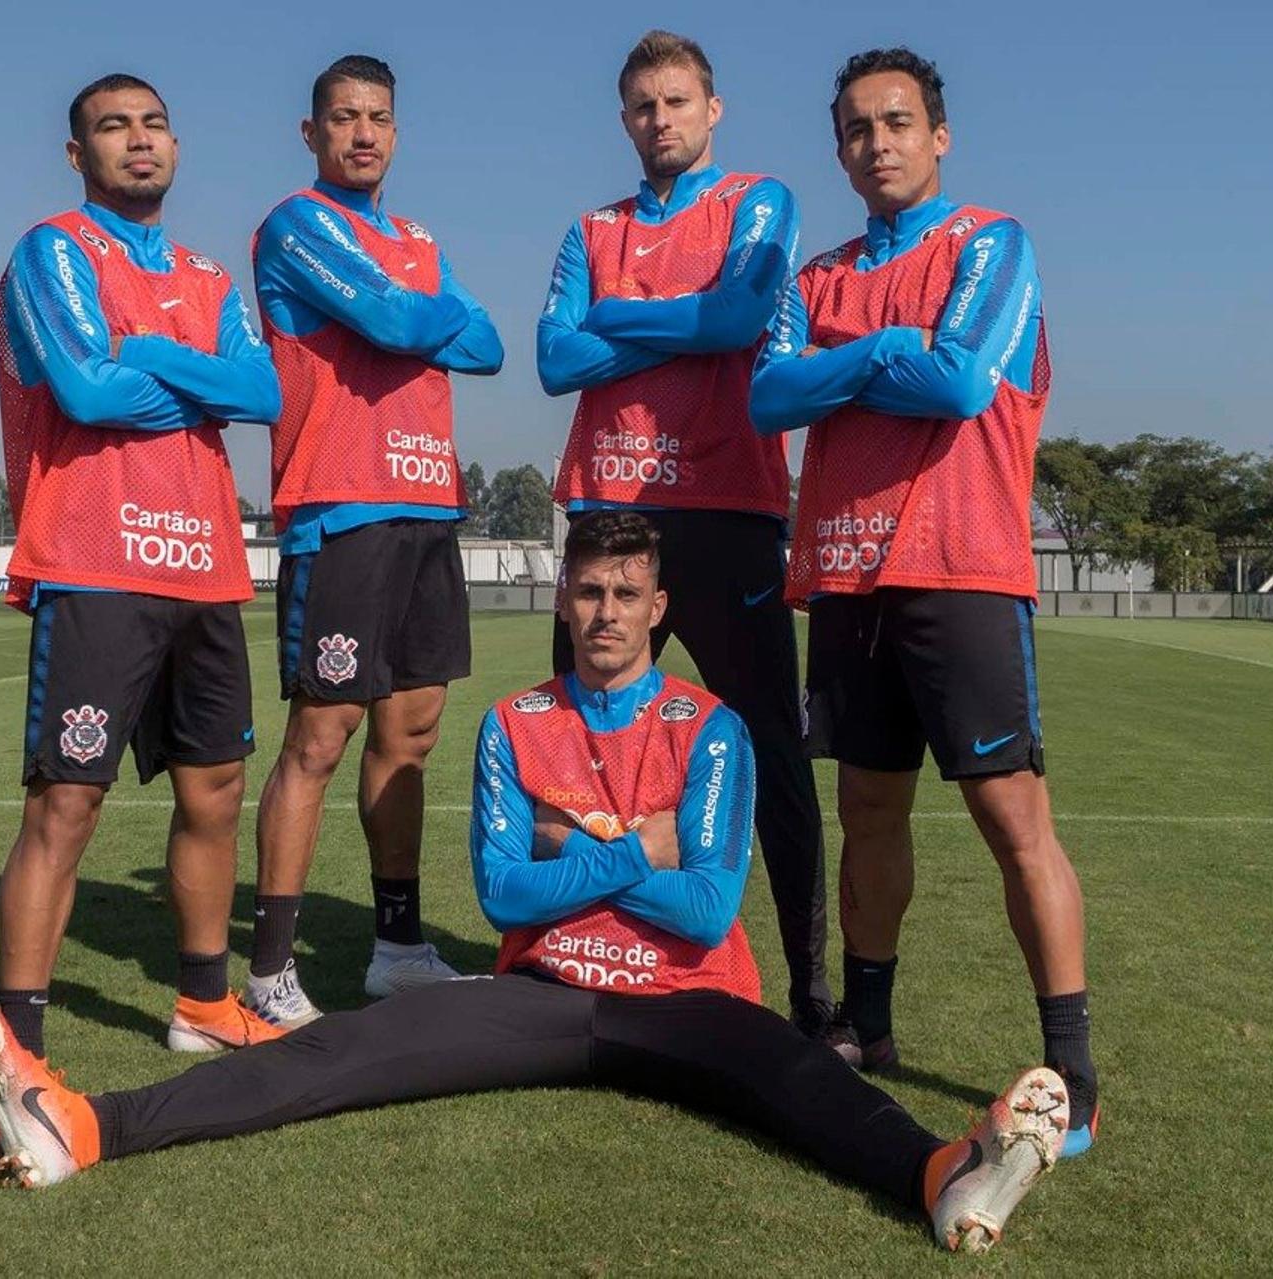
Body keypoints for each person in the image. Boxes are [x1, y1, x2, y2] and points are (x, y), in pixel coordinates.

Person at [0, 511, 1068, 1254]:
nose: (603, 614)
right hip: (537, 995)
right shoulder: (513, 722)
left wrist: (574, 848)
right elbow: (503, 895)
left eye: (625, 593)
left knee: (803, 1086)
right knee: (337, 1052)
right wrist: (643, 843)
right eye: (586, 591)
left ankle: (943, 1176)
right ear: (564, 597)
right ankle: (87, 1127)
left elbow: (707, 911)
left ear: (658, 606)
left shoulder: (711, 730)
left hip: (689, 1003)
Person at [748, 48, 1098, 1155]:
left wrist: (854, 361)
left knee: (1012, 820)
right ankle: (872, 1022)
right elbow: (767, 395)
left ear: (937, 136)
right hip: (850, 579)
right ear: (840, 148)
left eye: (897, 122)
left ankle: (1074, 1066)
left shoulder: (993, 243)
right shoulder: (817, 276)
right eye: (857, 128)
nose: (877, 141)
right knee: (871, 812)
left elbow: (959, 381)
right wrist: (887, 349)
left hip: (964, 573)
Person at [537, 30, 833, 1038]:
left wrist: (619, 316)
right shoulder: (593, 226)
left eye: (676, 103)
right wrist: (675, 315)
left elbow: (740, 316)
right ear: (625, 119)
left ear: (713, 111)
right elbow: (551, 356)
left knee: (771, 755)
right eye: (642, 107)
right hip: (610, 515)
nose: (659, 121)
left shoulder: (760, 201)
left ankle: (814, 993)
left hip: (729, 510)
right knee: (580, 754)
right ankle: (577, 966)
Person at [0, 73, 285, 1058]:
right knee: (66, 802)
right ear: (79, 155)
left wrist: (150, 356)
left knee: (215, 795)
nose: (139, 140)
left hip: (204, 569)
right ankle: (19, 1039)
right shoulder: (53, 251)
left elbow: (264, 389)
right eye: (114, 128)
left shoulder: (206, 278)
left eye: (154, 123)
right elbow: (80, 386)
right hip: (95, 563)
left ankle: (202, 1005)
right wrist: (201, 390)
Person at [244, 55, 503, 1026]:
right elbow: (404, 318)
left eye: (379, 118)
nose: (363, 132)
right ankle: (270, 968)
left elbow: (488, 343)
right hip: (340, 501)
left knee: (412, 733)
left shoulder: (417, 238)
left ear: (396, 131)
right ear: (310, 134)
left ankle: (397, 945)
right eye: (344, 117)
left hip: (429, 501)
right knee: (322, 733)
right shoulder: (295, 224)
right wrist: (412, 318)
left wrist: (411, 321)